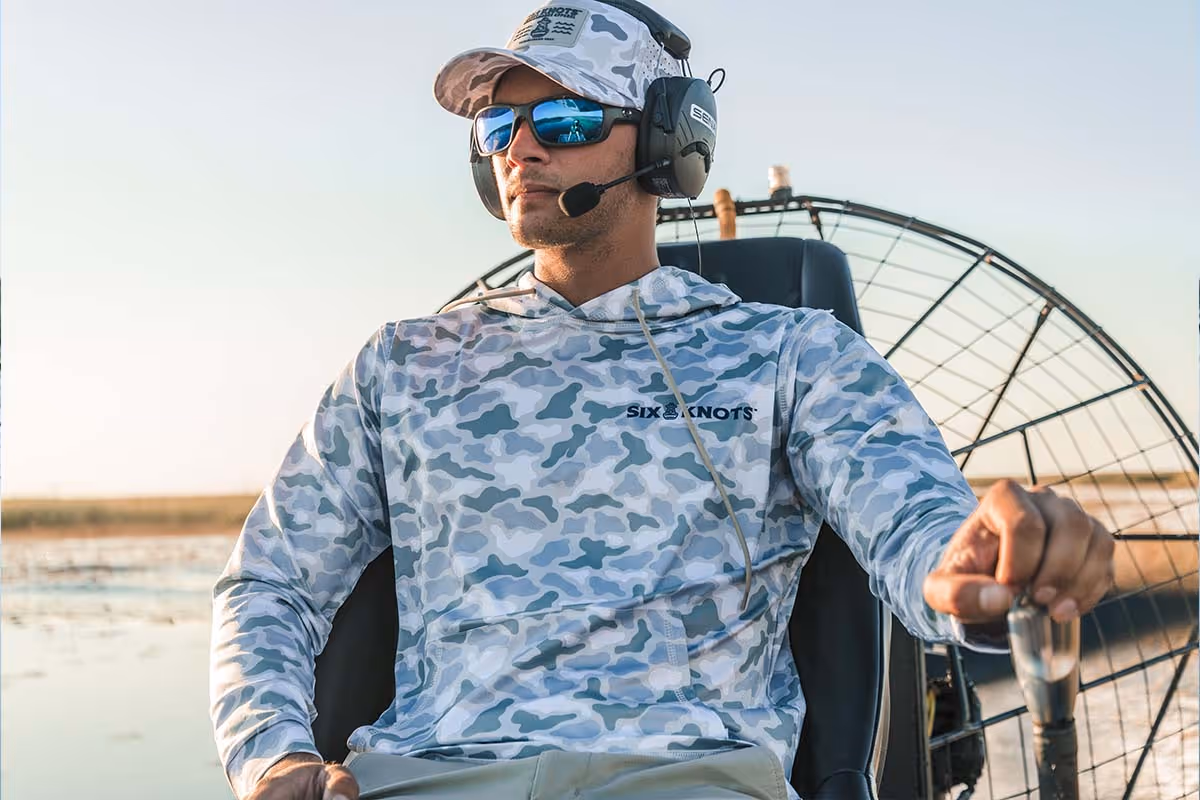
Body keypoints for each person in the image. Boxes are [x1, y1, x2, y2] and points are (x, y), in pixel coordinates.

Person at [209, 2, 1115, 799]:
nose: (521, 148)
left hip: (688, 779)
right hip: (425, 776)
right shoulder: (401, 364)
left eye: (563, 118)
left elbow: (921, 531)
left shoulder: (791, 354)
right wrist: (272, 756)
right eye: (498, 126)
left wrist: (986, 567)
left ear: (664, 143)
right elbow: (271, 581)